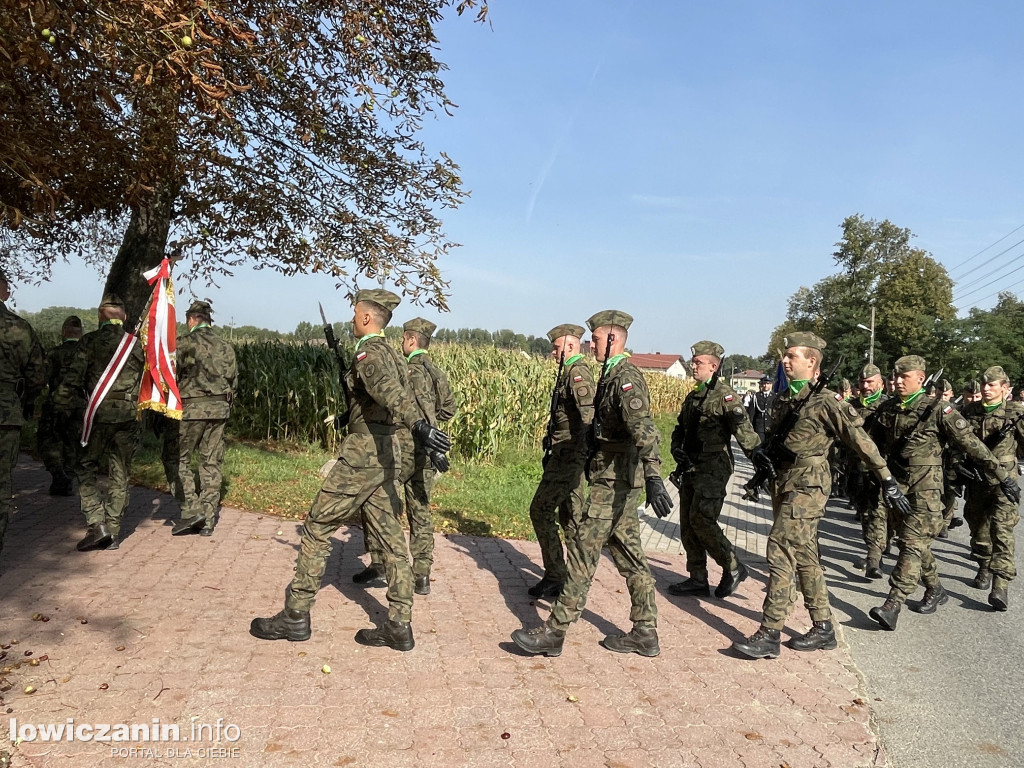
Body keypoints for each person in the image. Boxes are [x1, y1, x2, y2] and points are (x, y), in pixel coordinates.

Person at [250, 289, 450, 651]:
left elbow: (390, 394)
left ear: (367, 318)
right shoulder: (392, 353)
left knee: (316, 526)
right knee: (390, 541)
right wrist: (351, 414)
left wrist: (420, 425)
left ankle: (295, 614)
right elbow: (378, 400)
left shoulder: (369, 352)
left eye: (355, 312)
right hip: (386, 455)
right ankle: (399, 625)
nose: (351, 317)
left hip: (363, 456)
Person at [730, 333, 910, 659]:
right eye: (784, 356)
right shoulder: (783, 399)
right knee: (805, 557)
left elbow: (860, 441)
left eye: (792, 357)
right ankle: (824, 626)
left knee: (780, 547)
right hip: (783, 482)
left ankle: (769, 632)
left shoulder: (826, 401)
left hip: (809, 484)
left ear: (811, 361)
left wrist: (886, 478)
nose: (785, 361)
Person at [511, 310, 672, 657]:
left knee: (583, 552)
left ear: (612, 339)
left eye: (596, 339)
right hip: (612, 480)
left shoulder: (625, 378)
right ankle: (645, 631)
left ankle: (555, 631)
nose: (592, 345)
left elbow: (644, 428)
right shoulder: (610, 375)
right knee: (630, 556)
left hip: (613, 483)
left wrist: (655, 477)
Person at [866, 356, 1015, 630]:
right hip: (897, 488)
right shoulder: (887, 409)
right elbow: (869, 446)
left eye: (905, 377)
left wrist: (1003, 476)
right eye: (895, 377)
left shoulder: (939, 410)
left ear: (920, 379)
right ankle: (935, 588)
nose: (898, 381)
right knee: (913, 544)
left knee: (911, 544)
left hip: (927, 490)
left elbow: (971, 444)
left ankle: (893, 603)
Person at [667, 340, 760, 600]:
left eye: (698, 363)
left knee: (703, 521)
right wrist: (676, 449)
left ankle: (733, 567)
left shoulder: (726, 397)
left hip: (713, 468)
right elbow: (679, 430)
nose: (693, 366)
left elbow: (745, 434)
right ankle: (697, 578)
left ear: (714, 366)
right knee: (687, 524)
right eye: (693, 362)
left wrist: (759, 464)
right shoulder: (694, 395)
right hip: (691, 468)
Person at [56, 294, 145, 551]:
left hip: (97, 416)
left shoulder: (89, 342)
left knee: (84, 467)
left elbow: (72, 381)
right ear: (124, 316)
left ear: (99, 316)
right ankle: (114, 531)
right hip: (128, 416)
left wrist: (61, 410)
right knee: (120, 472)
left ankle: (97, 522)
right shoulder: (136, 345)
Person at [526, 323, 594, 599]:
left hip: (569, 457)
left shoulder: (577, 374)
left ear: (570, 346)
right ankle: (570, 578)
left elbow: (588, 418)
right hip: (564, 454)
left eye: (556, 348)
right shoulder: (568, 372)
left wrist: (584, 457)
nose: (553, 353)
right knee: (571, 518)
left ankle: (559, 575)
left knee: (540, 510)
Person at [169, 301, 238, 538]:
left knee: (176, 458)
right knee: (211, 463)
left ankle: (192, 509)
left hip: (191, 410)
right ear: (208, 320)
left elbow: (169, 376)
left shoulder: (183, 344)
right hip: (220, 410)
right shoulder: (226, 347)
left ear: (191, 319)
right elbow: (234, 382)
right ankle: (208, 520)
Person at [399, 317, 457, 595]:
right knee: (420, 511)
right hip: (427, 450)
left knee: (384, 505)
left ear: (412, 340)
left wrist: (428, 437)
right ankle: (422, 573)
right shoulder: (436, 371)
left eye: (402, 339)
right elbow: (449, 408)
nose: (401, 344)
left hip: (406, 448)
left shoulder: (411, 371)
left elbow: (420, 409)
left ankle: (384, 564)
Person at [959, 366, 1024, 610]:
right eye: (984, 385)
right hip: (977, 480)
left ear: (1005, 389)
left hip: (1004, 482)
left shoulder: (1014, 413)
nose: (986, 389)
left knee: (1002, 530)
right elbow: (957, 442)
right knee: (978, 528)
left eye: (992, 385)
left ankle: (1001, 585)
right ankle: (984, 563)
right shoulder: (970, 411)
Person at [0, 269, 45, 560]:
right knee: (2, 484)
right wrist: (24, 402)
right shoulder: (19, 328)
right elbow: (37, 376)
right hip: (6, 413)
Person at [846, 364, 891, 579]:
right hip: (856, 469)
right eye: (862, 382)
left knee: (877, 513)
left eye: (870, 382)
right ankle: (876, 548)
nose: (866, 386)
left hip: (879, 470)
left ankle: (874, 558)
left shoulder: (887, 407)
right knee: (864, 513)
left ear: (880, 383)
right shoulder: (850, 406)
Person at [38, 315, 83, 496]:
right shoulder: (86, 354)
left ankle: (58, 475)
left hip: (57, 403)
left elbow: (42, 378)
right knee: (73, 443)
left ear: (64, 332)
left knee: (48, 440)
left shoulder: (54, 353)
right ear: (81, 334)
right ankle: (68, 478)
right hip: (80, 405)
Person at [747, 376, 775, 443]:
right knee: (758, 446)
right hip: (759, 427)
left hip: (770, 426)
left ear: (771, 385)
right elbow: (751, 413)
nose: (766, 386)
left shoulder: (775, 397)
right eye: (764, 384)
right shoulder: (756, 396)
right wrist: (750, 427)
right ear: (761, 385)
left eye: (768, 383)